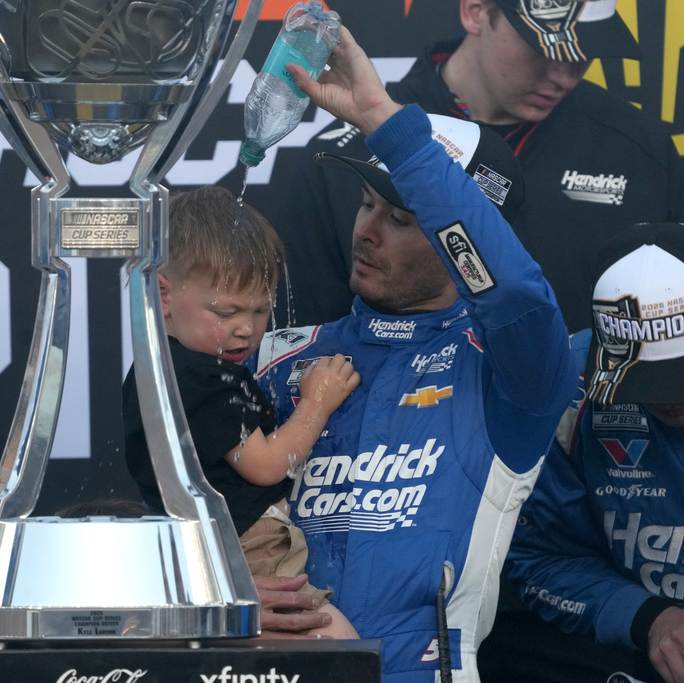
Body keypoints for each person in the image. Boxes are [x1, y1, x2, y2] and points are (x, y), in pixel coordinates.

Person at [248, 22, 578, 680]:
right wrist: (229, 591)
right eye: (367, 206)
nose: (368, 231)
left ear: (461, 239)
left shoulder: (513, 373)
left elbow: (512, 288)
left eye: (401, 220)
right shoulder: (279, 362)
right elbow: (188, 510)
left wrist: (385, 122)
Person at [277, 0, 683, 334]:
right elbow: (306, 340)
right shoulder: (349, 151)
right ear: (475, 11)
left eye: (583, 53)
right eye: (545, 48)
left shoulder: (639, 150)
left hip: (588, 426)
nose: (563, 75)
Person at [122, 184, 360, 639]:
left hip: (214, 549)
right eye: (226, 311)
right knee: (338, 640)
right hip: (245, 550)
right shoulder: (199, 378)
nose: (245, 330)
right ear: (162, 294)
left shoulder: (162, 368)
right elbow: (270, 465)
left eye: (259, 310)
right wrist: (317, 402)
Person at [504, 223, 684, 683]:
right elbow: (542, 558)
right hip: (636, 642)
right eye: (648, 379)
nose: (668, 398)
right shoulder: (569, 388)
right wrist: (649, 618)